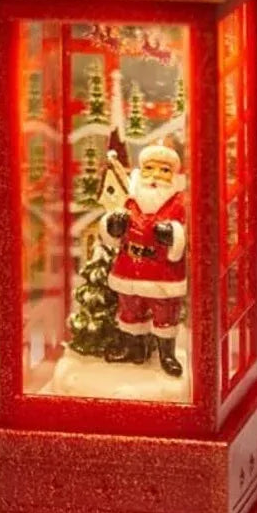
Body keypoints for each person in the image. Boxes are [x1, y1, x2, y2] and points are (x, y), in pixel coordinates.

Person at [100, 143, 186, 376]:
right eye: (149, 168)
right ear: (140, 171)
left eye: (164, 170)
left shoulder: (179, 203)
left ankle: (166, 354)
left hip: (162, 269)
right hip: (129, 265)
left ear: (174, 175)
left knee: (164, 313)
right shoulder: (130, 200)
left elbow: (189, 232)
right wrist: (112, 226)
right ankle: (134, 348)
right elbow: (111, 234)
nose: (155, 175)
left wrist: (174, 233)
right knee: (130, 308)